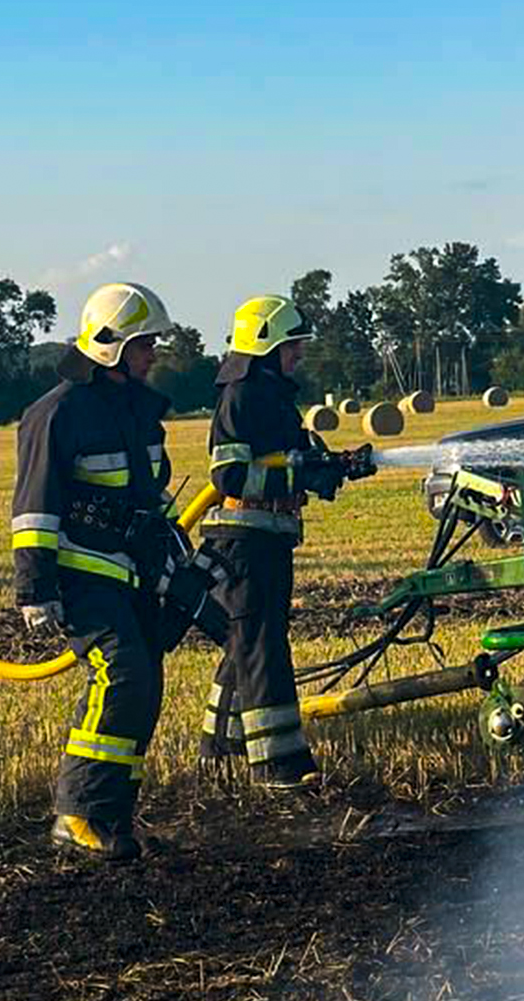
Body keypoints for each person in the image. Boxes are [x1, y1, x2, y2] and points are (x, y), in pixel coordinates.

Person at [12, 281, 179, 861]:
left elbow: (150, 493)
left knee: (144, 688)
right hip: (83, 578)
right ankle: (77, 814)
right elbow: (35, 507)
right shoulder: (57, 414)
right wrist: (36, 589)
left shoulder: (137, 409)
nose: (152, 353)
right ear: (109, 346)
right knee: (123, 677)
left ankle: (112, 818)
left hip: (133, 575)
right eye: (142, 344)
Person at [197, 295, 372, 789]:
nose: (299, 354)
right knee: (263, 647)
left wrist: (333, 466)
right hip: (245, 540)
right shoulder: (241, 397)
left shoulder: (271, 396)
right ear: (266, 345)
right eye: (292, 345)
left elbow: (291, 460)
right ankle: (280, 764)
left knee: (245, 644)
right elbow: (229, 474)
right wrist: (301, 469)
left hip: (267, 538)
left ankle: (222, 743)